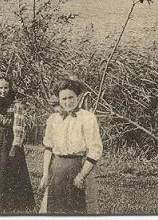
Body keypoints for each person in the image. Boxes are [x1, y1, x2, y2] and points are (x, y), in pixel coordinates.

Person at [39, 78, 103, 214]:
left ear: (77, 97)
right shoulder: (53, 119)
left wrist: (81, 176)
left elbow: (95, 150)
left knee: (79, 208)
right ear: (59, 99)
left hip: (79, 167)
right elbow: (48, 148)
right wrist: (45, 174)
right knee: (54, 208)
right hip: (57, 168)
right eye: (64, 99)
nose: (68, 102)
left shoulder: (88, 118)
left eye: (71, 97)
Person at [0, 77, 34, 210]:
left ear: (10, 88)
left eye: (6, 88)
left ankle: (9, 203)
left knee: (7, 167)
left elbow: (19, 126)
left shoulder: (16, 105)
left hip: (8, 139)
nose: (3, 91)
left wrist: (15, 146)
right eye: (0, 88)